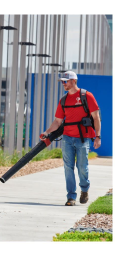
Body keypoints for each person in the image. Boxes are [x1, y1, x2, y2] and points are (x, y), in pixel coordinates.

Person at [40, 71, 101, 206]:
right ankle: (71, 197)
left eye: (65, 81)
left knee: (82, 167)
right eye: (62, 82)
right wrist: (47, 132)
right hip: (67, 138)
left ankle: (84, 189)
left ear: (73, 81)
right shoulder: (64, 100)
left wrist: (97, 136)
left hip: (83, 138)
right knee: (68, 168)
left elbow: (96, 118)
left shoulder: (87, 96)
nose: (63, 84)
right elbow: (57, 121)